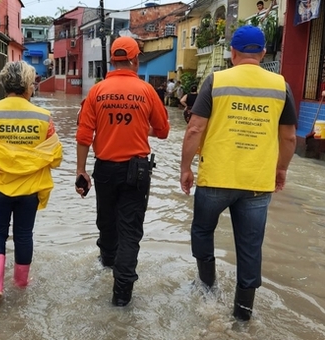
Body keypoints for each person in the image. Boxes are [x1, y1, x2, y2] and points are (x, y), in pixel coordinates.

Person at [179, 25, 297, 321]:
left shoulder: (215, 81)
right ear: (263, 53)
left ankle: (207, 289)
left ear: (232, 53)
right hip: (257, 182)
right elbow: (289, 138)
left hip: (216, 179)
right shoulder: (281, 85)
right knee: (250, 247)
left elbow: (195, 128)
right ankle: (243, 314)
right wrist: (281, 169)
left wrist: (185, 167)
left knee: (202, 232)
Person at [75, 36, 170, 307]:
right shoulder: (147, 91)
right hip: (137, 172)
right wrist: (141, 127)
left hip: (104, 170)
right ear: (136, 60)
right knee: (130, 231)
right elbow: (162, 131)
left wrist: (81, 171)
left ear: (112, 61)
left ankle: (106, 265)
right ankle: (121, 296)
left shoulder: (96, 91)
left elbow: (84, 135)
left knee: (106, 222)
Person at [0, 61, 63, 308]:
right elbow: (56, 155)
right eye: (33, 84)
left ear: (4, 84)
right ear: (28, 87)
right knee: (23, 235)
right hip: (28, 191)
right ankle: (21, 283)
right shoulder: (43, 118)